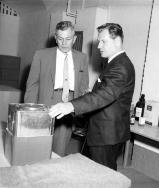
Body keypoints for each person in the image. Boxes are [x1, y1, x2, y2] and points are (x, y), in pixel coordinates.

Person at [49, 23, 135, 170]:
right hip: (100, 131)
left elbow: (105, 95)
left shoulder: (120, 66)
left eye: (103, 41)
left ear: (118, 41)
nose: (99, 46)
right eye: (98, 41)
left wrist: (70, 105)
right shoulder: (114, 63)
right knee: (90, 171)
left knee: (104, 177)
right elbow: (105, 93)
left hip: (107, 134)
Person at [24, 21, 89, 157]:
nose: (64, 43)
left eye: (68, 39)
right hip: (45, 103)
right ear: (55, 37)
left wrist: (80, 109)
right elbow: (32, 85)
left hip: (68, 106)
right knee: (38, 148)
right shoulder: (41, 55)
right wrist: (30, 111)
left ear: (75, 38)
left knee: (59, 151)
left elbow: (83, 86)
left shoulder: (82, 58)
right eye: (60, 39)